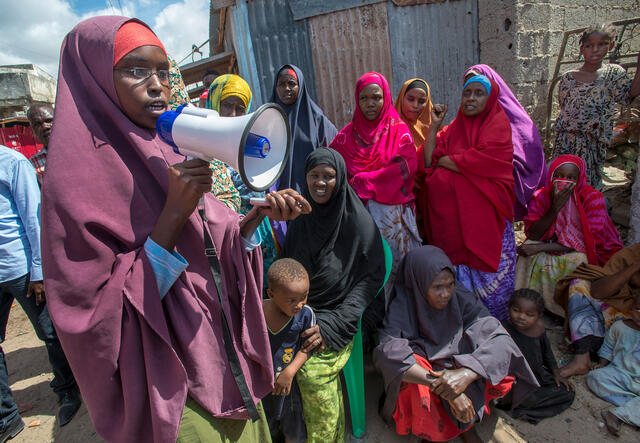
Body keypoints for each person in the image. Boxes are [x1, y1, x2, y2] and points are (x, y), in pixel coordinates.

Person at [41, 17, 310, 443]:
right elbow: (92, 317)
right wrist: (170, 219)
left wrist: (253, 221)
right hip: (169, 380)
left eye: (164, 72)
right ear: (93, 78)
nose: (157, 86)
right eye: (135, 70)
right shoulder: (76, 182)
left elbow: (210, 249)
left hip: (223, 355)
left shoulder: (169, 145)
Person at [374, 246, 537, 443]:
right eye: (437, 287)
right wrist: (446, 388)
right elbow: (387, 353)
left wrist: (467, 373)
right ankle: (432, 431)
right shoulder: (403, 307)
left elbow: (496, 336)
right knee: (409, 378)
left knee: (499, 357)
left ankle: (465, 426)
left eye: (449, 285)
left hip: (460, 366)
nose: (445, 294)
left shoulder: (460, 298)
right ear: (418, 284)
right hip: (432, 375)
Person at [282, 148, 385, 442]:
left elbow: (370, 281)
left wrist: (333, 323)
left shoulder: (358, 223)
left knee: (310, 373)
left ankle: (327, 436)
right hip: (300, 307)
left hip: (340, 311)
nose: (320, 183)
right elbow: (288, 269)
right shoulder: (302, 220)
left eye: (329, 176)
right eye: (314, 176)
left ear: (340, 180)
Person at [418, 74, 516, 320]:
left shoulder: (498, 126)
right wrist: (434, 126)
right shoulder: (452, 130)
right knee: (457, 289)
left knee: (489, 293)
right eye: (467, 93)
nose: (471, 98)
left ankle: (493, 332)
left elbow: (487, 162)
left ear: (490, 98)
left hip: (484, 227)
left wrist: (449, 162)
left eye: (478, 93)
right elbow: (429, 161)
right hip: (450, 229)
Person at [0, 145, 81, 440]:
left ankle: (68, 391)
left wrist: (38, 272)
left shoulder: (11, 162)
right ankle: (6, 416)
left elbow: (34, 219)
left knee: (49, 333)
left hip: (19, 269)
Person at [330, 72, 421, 294]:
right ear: (357, 100)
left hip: (392, 220)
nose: (370, 104)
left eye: (376, 98)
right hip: (357, 221)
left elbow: (407, 168)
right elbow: (331, 167)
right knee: (365, 275)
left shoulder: (399, 132)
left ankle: (400, 319)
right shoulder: (345, 137)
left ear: (386, 98)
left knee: (395, 271)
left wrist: (363, 181)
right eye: (364, 98)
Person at [515, 155, 623, 316]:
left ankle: (563, 310)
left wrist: (540, 247)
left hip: (590, 250)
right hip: (552, 243)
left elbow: (588, 240)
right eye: (558, 176)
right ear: (551, 176)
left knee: (578, 259)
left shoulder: (592, 198)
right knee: (526, 252)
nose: (564, 181)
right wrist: (554, 208)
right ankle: (527, 303)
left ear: (579, 179)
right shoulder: (541, 196)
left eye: (571, 178)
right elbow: (533, 233)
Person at [206, 74, 279, 282]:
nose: (233, 114)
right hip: (226, 240)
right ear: (214, 103)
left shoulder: (253, 145)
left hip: (260, 235)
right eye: (227, 105)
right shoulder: (203, 146)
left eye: (240, 107)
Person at [551, 23, 640, 190]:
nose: (595, 50)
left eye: (602, 44)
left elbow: (628, 95)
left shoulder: (614, 73)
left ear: (611, 45)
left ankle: (586, 215)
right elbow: (564, 105)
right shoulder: (568, 77)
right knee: (562, 184)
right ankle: (561, 216)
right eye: (589, 46)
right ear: (581, 49)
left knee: (587, 184)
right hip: (566, 140)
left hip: (592, 142)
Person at [463, 65, 546, 221]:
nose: (472, 97)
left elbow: (516, 152)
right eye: (468, 90)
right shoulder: (469, 119)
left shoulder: (511, 118)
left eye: (479, 90)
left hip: (506, 184)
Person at [269, 65, 338, 247]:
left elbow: (335, 155)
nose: (286, 89)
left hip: (312, 194)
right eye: (281, 84)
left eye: (292, 84)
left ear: (301, 87)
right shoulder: (267, 120)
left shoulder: (316, 119)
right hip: (280, 196)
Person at [554, 243, 640, 378]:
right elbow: (598, 292)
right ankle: (582, 359)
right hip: (627, 318)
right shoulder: (634, 253)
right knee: (580, 284)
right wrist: (635, 266)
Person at [499, 289, 574, 424]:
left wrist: (556, 372)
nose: (521, 317)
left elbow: (547, 352)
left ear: (539, 316)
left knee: (567, 392)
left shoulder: (538, 329)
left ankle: (525, 410)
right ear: (509, 308)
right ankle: (517, 405)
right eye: (516, 310)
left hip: (536, 375)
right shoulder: (503, 329)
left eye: (529, 314)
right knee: (511, 393)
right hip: (514, 379)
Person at [261, 258, 315, 443]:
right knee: (265, 427)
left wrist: (290, 372)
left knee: (293, 428)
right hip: (261, 386)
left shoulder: (305, 315)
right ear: (271, 294)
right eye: (292, 300)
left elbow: (309, 346)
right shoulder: (257, 311)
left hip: (288, 387)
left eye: (304, 297)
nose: (299, 305)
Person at [586, 293, 640, 436]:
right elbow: (608, 348)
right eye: (638, 310)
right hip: (620, 376)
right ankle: (634, 408)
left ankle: (620, 414)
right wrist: (602, 364)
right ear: (631, 307)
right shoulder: (620, 327)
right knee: (594, 377)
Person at [394, 78, 433, 241]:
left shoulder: (433, 128)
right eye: (410, 99)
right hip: (399, 202)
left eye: (421, 101)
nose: (415, 105)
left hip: (428, 201)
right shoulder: (390, 128)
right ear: (401, 97)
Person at [26, 103, 54, 187]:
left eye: (49, 120)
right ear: (32, 131)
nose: (45, 126)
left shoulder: (81, 150)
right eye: (37, 124)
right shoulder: (31, 165)